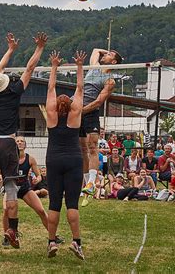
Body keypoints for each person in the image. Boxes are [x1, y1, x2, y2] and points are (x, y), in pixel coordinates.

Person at [0, 32, 47, 250]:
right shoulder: (14, 91)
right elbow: (29, 69)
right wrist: (39, 48)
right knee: (10, 190)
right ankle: (12, 231)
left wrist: (10, 49)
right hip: (8, 143)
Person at [45, 50, 85, 259]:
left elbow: (51, 86)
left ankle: (51, 242)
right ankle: (76, 242)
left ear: (55, 105)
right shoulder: (76, 112)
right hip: (73, 160)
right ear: (70, 105)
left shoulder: (51, 114)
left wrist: (54, 65)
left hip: (53, 160)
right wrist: (79, 65)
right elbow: (79, 87)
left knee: (54, 203)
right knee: (72, 203)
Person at [2, 136, 63, 247]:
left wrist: (37, 179)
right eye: (17, 141)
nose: (20, 143)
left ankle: (53, 236)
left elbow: (39, 175)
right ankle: (7, 237)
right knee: (6, 210)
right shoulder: (7, 158)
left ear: (25, 145)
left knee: (40, 210)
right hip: (11, 188)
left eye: (22, 141)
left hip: (25, 188)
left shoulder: (30, 159)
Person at [79, 48, 122, 203]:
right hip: (77, 109)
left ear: (114, 62)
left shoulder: (110, 80)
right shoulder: (94, 66)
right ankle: (86, 186)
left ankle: (91, 182)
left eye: (109, 55)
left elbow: (98, 102)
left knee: (92, 147)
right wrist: (108, 51)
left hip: (89, 112)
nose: (105, 55)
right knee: (82, 149)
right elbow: (96, 50)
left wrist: (81, 111)